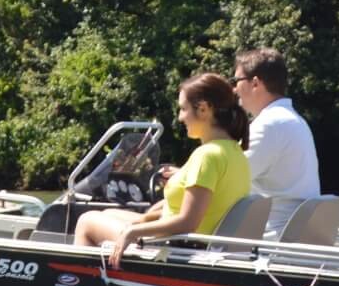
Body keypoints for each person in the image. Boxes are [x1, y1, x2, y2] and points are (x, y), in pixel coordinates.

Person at [75, 73, 252, 267]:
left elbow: (188, 222)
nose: (180, 117)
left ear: (203, 109)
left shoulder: (207, 156)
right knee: (109, 213)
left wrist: (132, 232)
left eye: (183, 109)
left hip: (181, 249)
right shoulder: (235, 153)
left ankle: (79, 283)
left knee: (87, 221)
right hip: (190, 242)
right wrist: (144, 219)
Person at [232, 47, 320, 237]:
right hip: (292, 237)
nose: (234, 88)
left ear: (255, 83)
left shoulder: (269, 125)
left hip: (268, 243)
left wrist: (181, 177)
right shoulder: (293, 120)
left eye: (237, 81)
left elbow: (228, 179)